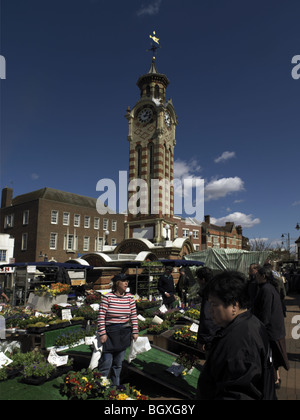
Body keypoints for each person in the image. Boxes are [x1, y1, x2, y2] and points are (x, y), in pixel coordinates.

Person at [197, 271, 276, 400]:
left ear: (234, 305)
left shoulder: (239, 341)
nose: (210, 310)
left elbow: (238, 394)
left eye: (214, 304)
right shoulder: (250, 323)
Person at [97, 273, 139, 386]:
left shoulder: (130, 297)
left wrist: (135, 331)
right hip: (110, 334)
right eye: (124, 281)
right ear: (117, 283)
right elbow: (101, 316)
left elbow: (133, 316)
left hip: (124, 333)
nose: (126, 283)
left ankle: (115, 387)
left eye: (127, 281)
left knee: (118, 364)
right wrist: (102, 333)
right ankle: (101, 387)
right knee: (106, 363)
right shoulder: (107, 297)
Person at [253, 266, 290, 389]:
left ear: (264, 276)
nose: (255, 277)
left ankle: (274, 381)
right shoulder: (270, 288)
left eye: (257, 275)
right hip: (275, 330)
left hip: (271, 331)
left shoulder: (266, 290)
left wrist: (260, 329)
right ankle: (276, 378)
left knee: (269, 357)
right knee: (273, 356)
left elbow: (266, 313)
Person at [195, 267, 219, 354]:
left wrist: (203, 340)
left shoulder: (208, 294)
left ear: (203, 280)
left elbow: (207, 318)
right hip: (217, 334)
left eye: (198, 278)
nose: (197, 280)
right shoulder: (216, 289)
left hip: (211, 338)